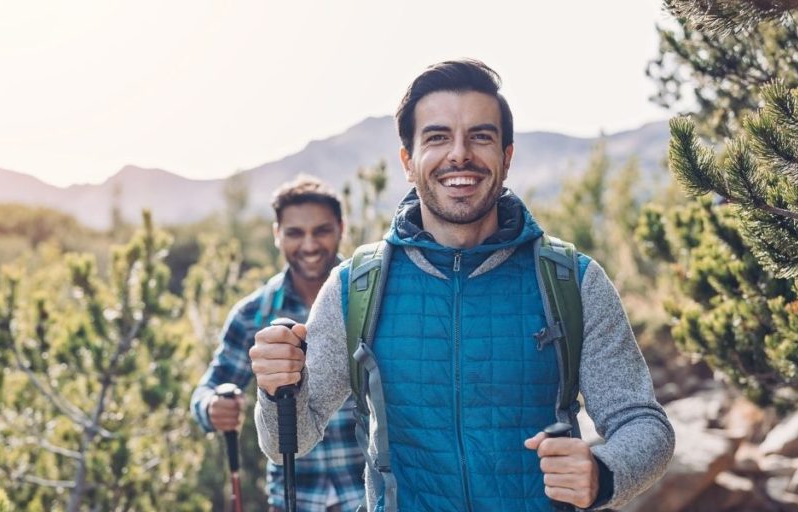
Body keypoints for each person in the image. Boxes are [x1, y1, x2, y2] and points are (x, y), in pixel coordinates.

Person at [250, 59, 675, 511]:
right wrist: (277, 388)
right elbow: (287, 443)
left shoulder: (572, 280)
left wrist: (603, 472)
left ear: (506, 158)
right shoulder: (355, 287)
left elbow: (644, 424)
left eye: (481, 136)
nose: (459, 154)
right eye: (437, 137)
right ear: (408, 162)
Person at [190, 176, 365, 512]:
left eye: (322, 230)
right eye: (295, 233)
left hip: (367, 496)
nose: (310, 245)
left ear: (341, 228)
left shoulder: (369, 299)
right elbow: (207, 389)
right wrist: (212, 406)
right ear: (276, 235)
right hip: (292, 499)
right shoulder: (252, 314)